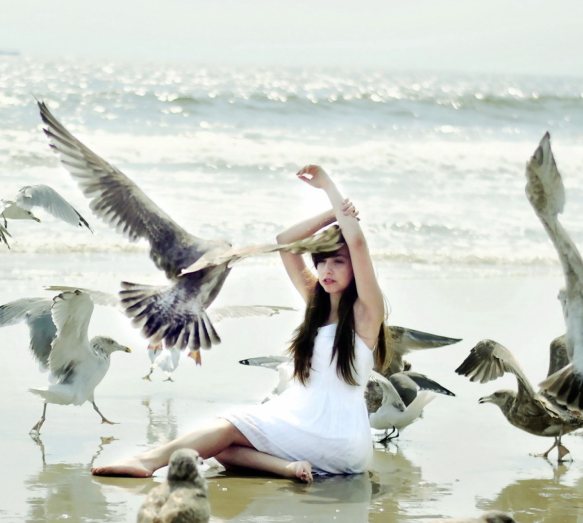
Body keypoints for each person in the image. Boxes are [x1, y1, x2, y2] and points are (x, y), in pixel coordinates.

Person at [91, 165, 388, 481]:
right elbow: (285, 241)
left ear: (355, 269)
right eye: (321, 261)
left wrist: (329, 187)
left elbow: (357, 244)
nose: (327, 270)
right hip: (304, 422)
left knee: (225, 429)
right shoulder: (317, 304)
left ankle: (148, 461)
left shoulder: (366, 313)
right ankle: (287, 468)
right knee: (219, 444)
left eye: (337, 262)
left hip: (335, 436)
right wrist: (331, 215)